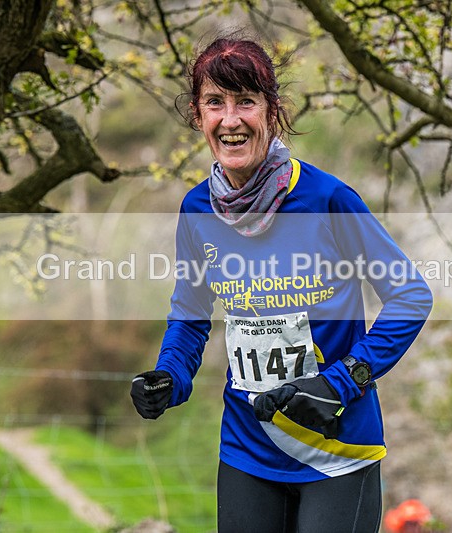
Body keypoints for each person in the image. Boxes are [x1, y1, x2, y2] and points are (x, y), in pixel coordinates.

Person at [130, 35, 433, 533]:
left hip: (336, 448)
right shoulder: (196, 210)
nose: (230, 120)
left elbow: (410, 297)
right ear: (198, 115)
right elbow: (190, 317)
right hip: (247, 447)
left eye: (245, 101)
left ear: (272, 111)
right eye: (215, 103)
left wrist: (339, 382)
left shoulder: (327, 199)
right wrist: (169, 376)